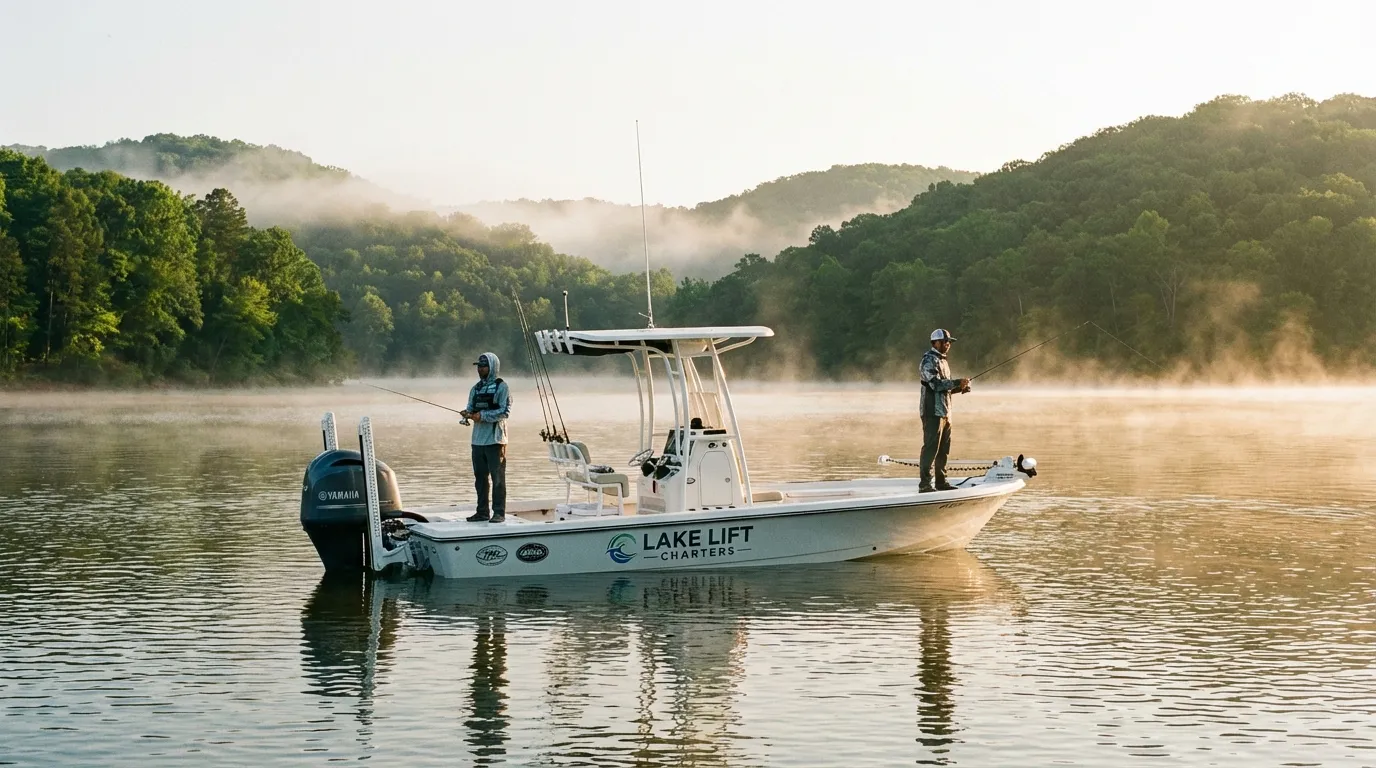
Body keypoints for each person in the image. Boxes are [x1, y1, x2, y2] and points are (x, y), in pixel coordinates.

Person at [919, 329, 970, 493]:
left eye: (949, 342)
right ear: (935, 343)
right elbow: (935, 385)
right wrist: (956, 382)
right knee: (930, 448)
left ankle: (941, 482)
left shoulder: (943, 361)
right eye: (945, 341)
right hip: (932, 411)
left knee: (943, 450)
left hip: (945, 412)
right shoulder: (928, 360)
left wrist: (959, 388)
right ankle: (925, 485)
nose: (948, 344)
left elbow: (944, 389)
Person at [462, 352, 511, 523]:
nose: (480, 369)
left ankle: (499, 512)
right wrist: (467, 414)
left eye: (483, 366)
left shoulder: (502, 387)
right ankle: (482, 512)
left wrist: (481, 416)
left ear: (492, 367)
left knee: (497, 478)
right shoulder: (475, 389)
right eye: (479, 366)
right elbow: (470, 407)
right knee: (480, 478)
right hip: (477, 441)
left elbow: (504, 412)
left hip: (495, 440)